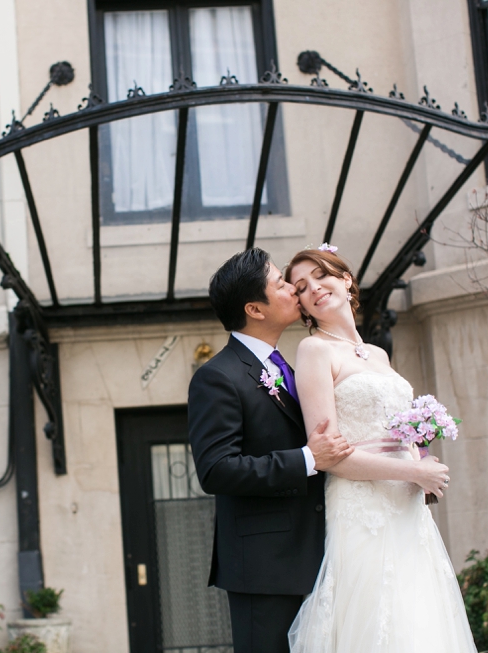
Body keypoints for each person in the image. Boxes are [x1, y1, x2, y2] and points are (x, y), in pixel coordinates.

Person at [188, 248, 451, 653]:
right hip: (264, 564)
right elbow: (216, 469)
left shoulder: (287, 368)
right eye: (284, 284)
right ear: (255, 309)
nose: (296, 292)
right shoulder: (218, 377)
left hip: (322, 544)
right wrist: (310, 459)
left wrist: (413, 458)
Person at [285, 245, 477, 652]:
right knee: (375, 622)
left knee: (419, 621)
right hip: (362, 508)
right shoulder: (314, 351)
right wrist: (414, 472)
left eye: (322, 276)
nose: (314, 289)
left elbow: (393, 431)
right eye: (302, 287)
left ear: (346, 279)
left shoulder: (377, 353)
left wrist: (417, 458)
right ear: (300, 304)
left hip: (407, 509)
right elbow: (331, 456)